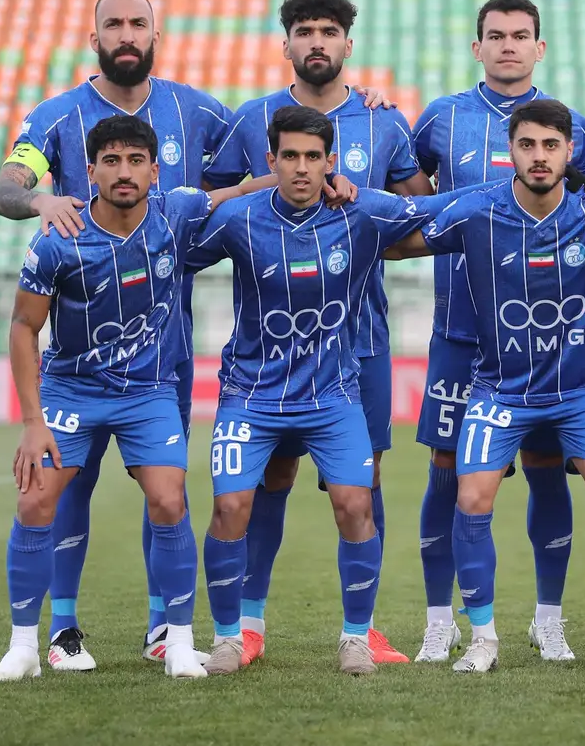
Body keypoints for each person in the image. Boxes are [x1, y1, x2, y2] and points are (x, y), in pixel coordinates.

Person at [186, 105, 482, 676]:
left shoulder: (360, 211)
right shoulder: (240, 218)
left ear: (331, 162)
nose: (301, 168)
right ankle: (228, 638)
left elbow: (435, 206)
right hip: (251, 396)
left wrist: (514, 188)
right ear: (271, 160)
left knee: (355, 502)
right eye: (290, 157)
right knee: (230, 507)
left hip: (332, 396)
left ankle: (355, 637)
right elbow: (172, 238)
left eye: (313, 157)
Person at [0, 0, 232, 668]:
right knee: (66, 487)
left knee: (166, 491)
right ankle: (61, 629)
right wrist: (39, 199)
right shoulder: (57, 117)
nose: (127, 34)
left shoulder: (196, 110)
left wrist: (353, 105)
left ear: (155, 34)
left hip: (162, 350)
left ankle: (164, 629)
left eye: (138, 23)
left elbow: (271, 153)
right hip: (77, 353)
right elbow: (4, 189)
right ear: (94, 38)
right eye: (114, 24)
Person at [387, 99, 585, 674]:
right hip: (499, 391)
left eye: (550, 145)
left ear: (570, 152)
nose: (539, 156)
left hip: (582, 392)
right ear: (510, 151)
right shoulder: (477, 210)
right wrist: (339, 198)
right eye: (527, 145)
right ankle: (483, 639)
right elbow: (399, 239)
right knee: (470, 498)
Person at [0, 115, 274, 682]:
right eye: (111, 161)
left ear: (154, 170)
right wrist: (32, 421)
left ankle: (179, 643)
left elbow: (238, 191)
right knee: (35, 500)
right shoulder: (58, 238)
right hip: (71, 389)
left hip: (147, 392)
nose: (124, 172)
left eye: (135, 161)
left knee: (169, 499)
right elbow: (23, 326)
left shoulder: (175, 211)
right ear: (91, 170)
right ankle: (22, 647)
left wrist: (320, 184)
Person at [201, 0, 423, 666]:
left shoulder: (383, 121)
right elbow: (210, 206)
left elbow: (418, 213)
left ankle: (365, 628)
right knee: (268, 478)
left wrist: (360, 213)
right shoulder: (252, 120)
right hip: (270, 351)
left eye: (329, 31)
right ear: (288, 43)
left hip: (361, 338)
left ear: (347, 44)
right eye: (305, 31)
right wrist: (254, 188)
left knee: (364, 483)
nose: (317, 41)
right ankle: (248, 624)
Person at [409, 0, 585, 664]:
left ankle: (549, 619)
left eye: (521, 36)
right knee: (446, 472)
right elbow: (414, 202)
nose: (508, 46)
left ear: (539, 48)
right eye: (496, 36)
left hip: (544, 343)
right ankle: (440, 620)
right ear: (478, 47)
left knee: (548, 470)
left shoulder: (570, 125)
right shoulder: (441, 117)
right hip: (460, 331)